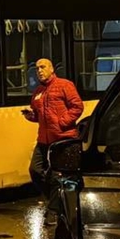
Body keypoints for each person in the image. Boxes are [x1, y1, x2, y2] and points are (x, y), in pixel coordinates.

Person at [22, 58, 83, 193]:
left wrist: (62, 123)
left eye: (42, 67)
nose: (39, 71)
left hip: (62, 138)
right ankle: (53, 198)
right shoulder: (38, 91)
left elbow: (77, 107)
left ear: (51, 69)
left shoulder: (64, 85)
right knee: (35, 170)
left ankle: (57, 205)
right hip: (44, 139)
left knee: (58, 174)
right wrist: (30, 116)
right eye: (37, 68)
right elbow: (38, 116)